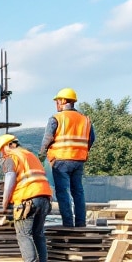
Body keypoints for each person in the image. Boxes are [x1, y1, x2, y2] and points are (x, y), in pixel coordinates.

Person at [0, 133, 52, 262]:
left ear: (10, 145)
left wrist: (4, 204)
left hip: (27, 200)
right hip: (44, 198)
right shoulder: (30, 155)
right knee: (38, 234)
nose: (3, 155)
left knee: (23, 235)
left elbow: (10, 179)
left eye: (2, 150)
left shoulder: (12, 157)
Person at [40, 87, 94, 228]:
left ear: (63, 101)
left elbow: (48, 138)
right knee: (78, 192)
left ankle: (68, 224)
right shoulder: (85, 120)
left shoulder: (56, 118)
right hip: (78, 161)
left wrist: (42, 153)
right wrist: (81, 151)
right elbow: (91, 139)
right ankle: (81, 223)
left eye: (58, 101)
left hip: (61, 160)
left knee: (63, 192)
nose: (57, 104)